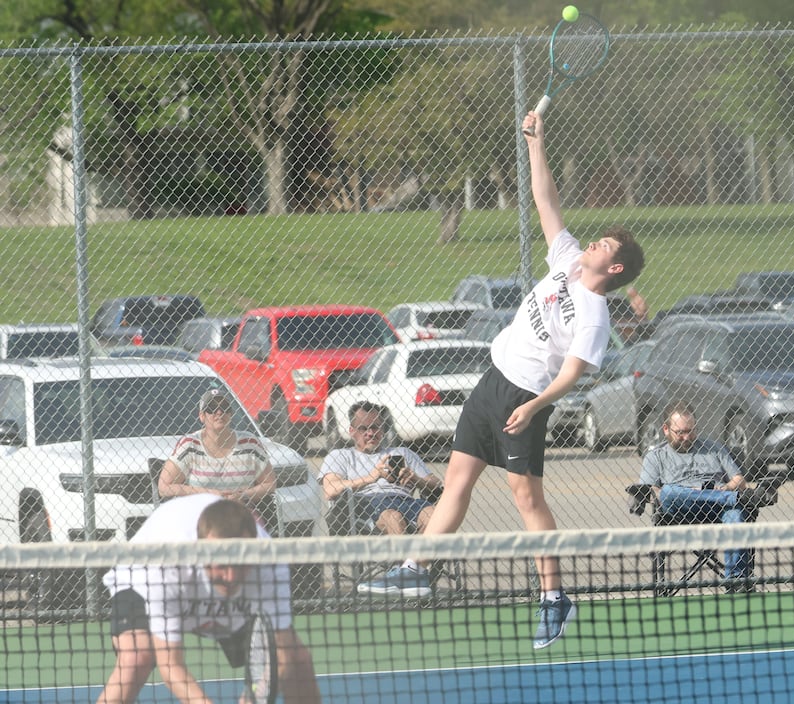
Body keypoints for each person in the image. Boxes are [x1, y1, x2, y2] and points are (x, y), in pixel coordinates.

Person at [359, 110, 645, 651]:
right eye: (600, 239)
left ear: (615, 269)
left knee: (526, 499)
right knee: (457, 481)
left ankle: (554, 598)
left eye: (606, 245)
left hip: (523, 400)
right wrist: (537, 142)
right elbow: (546, 202)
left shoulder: (594, 314)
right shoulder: (566, 261)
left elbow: (573, 373)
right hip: (492, 383)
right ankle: (418, 566)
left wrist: (536, 406)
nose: (595, 243)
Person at [96, 493, 321, 704]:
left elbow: (282, 654)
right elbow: (170, 665)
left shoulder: (270, 565)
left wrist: (253, 697)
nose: (231, 577)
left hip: (219, 592)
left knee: (298, 661)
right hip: (140, 576)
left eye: (240, 565)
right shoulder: (166, 566)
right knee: (136, 658)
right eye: (222, 565)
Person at [639, 401, 780, 585]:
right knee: (668, 492)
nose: (687, 437)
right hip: (681, 510)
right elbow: (651, 491)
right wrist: (692, 492)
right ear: (666, 429)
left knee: (736, 515)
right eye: (680, 432)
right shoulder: (655, 456)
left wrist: (726, 488)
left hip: (718, 508)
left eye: (691, 431)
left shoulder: (714, 447)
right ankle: (737, 499)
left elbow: (739, 480)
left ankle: (736, 582)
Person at [319, 400, 442, 535]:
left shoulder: (402, 452)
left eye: (375, 427)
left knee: (435, 516)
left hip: (406, 500)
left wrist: (416, 479)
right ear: (351, 431)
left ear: (382, 429)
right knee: (394, 518)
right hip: (369, 503)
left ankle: (421, 555)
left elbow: (436, 483)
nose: (371, 433)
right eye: (363, 428)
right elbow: (330, 490)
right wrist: (371, 478)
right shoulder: (341, 456)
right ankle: (407, 555)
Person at [159, 388, 277, 507]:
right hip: (201, 516)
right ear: (202, 416)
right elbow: (164, 487)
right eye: (212, 408)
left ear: (230, 414)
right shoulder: (190, 444)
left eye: (225, 408)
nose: (219, 412)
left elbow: (270, 483)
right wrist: (209, 494)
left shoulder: (250, 443)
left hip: (241, 515)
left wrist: (243, 495)